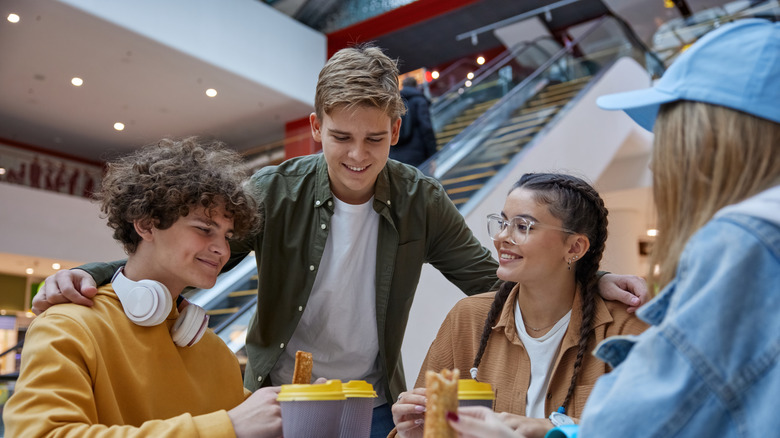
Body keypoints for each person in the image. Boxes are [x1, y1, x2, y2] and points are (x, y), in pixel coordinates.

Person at [35, 44, 647, 438]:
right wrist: (91, 274)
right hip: (278, 396)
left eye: (375, 139)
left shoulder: (420, 198)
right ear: (314, 127)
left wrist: (585, 279)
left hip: (370, 399)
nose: (358, 156)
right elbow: (193, 252)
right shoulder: (274, 190)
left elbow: (495, 279)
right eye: (341, 137)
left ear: (396, 130)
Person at [450, 18, 780, 438]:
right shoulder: (469, 318)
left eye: (669, 133)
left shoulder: (744, 242)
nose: (658, 163)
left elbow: (647, 425)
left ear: (711, 141)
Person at [3, 138, 283, 437]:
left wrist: (302, 409)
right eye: (204, 229)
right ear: (146, 225)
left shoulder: (215, 352)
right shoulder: (68, 328)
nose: (222, 250)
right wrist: (229, 427)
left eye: (227, 236)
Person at [390, 174, 648, 438]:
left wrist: (555, 428)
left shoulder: (625, 329)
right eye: (503, 223)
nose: (502, 237)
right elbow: (430, 428)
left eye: (523, 226)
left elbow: (654, 429)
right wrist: (414, 432)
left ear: (575, 247)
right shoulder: (467, 319)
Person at [389, 76, 438, 167]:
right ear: (416, 86)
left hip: (395, 155)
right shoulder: (419, 101)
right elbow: (426, 128)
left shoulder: (394, 102)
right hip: (417, 154)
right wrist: (433, 155)